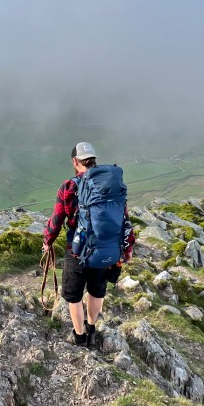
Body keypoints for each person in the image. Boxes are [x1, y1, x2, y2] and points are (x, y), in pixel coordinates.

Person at [42, 142, 135, 348]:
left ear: (75, 162)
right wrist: (126, 250)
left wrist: (47, 241)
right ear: (94, 160)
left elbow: (57, 220)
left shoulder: (68, 186)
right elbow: (123, 219)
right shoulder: (110, 186)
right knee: (96, 291)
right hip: (105, 248)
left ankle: (80, 337)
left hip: (76, 251)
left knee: (74, 296)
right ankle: (91, 327)